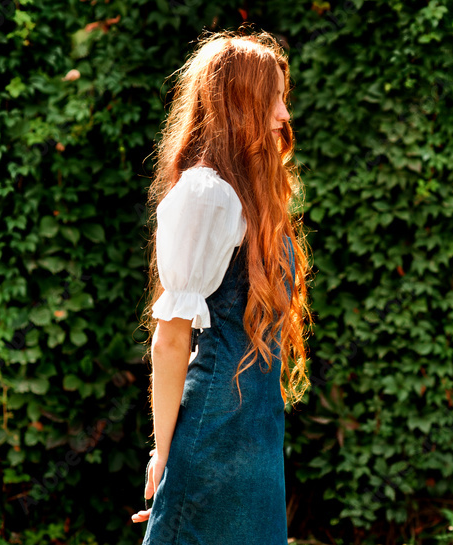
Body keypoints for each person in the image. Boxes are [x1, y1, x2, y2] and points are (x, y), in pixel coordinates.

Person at [129, 28, 312, 544]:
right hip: (216, 438)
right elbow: (170, 337)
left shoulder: (246, 198)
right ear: (241, 103)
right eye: (273, 98)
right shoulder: (207, 193)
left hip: (252, 442)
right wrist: (166, 457)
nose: (284, 114)